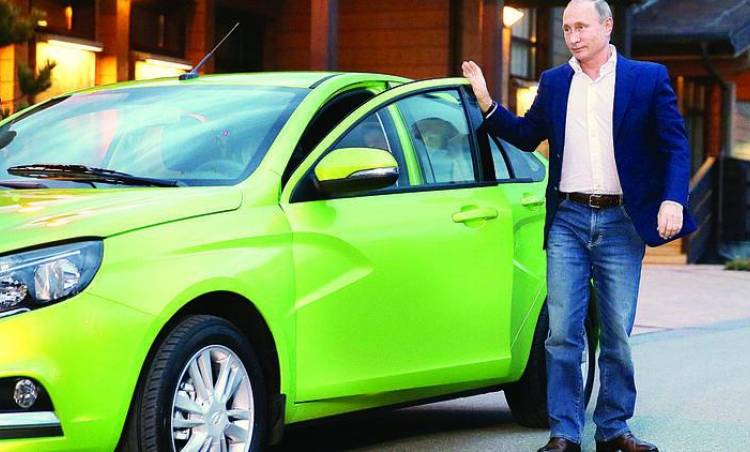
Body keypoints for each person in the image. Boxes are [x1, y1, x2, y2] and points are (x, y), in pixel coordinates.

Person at [462, 1, 695, 451]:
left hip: (622, 221)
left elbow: (674, 146)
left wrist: (673, 199)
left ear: (607, 26)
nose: (573, 36)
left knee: (616, 333)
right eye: (567, 28)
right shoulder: (554, 82)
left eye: (582, 27)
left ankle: (613, 429)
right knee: (563, 333)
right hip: (568, 219)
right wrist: (487, 103)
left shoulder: (648, 78)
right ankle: (564, 433)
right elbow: (527, 135)